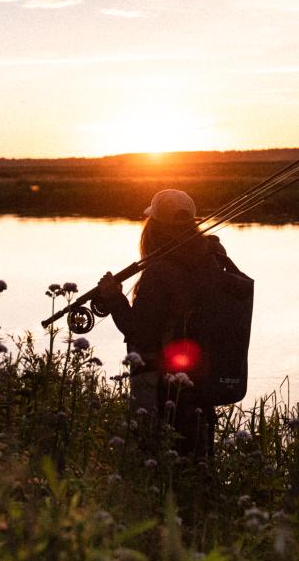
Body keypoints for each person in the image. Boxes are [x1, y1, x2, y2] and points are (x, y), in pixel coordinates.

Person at [97, 189, 230, 457]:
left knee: (152, 458)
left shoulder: (159, 272)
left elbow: (140, 331)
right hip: (201, 378)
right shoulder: (213, 261)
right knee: (195, 457)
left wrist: (114, 299)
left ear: (154, 227)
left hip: (156, 382)